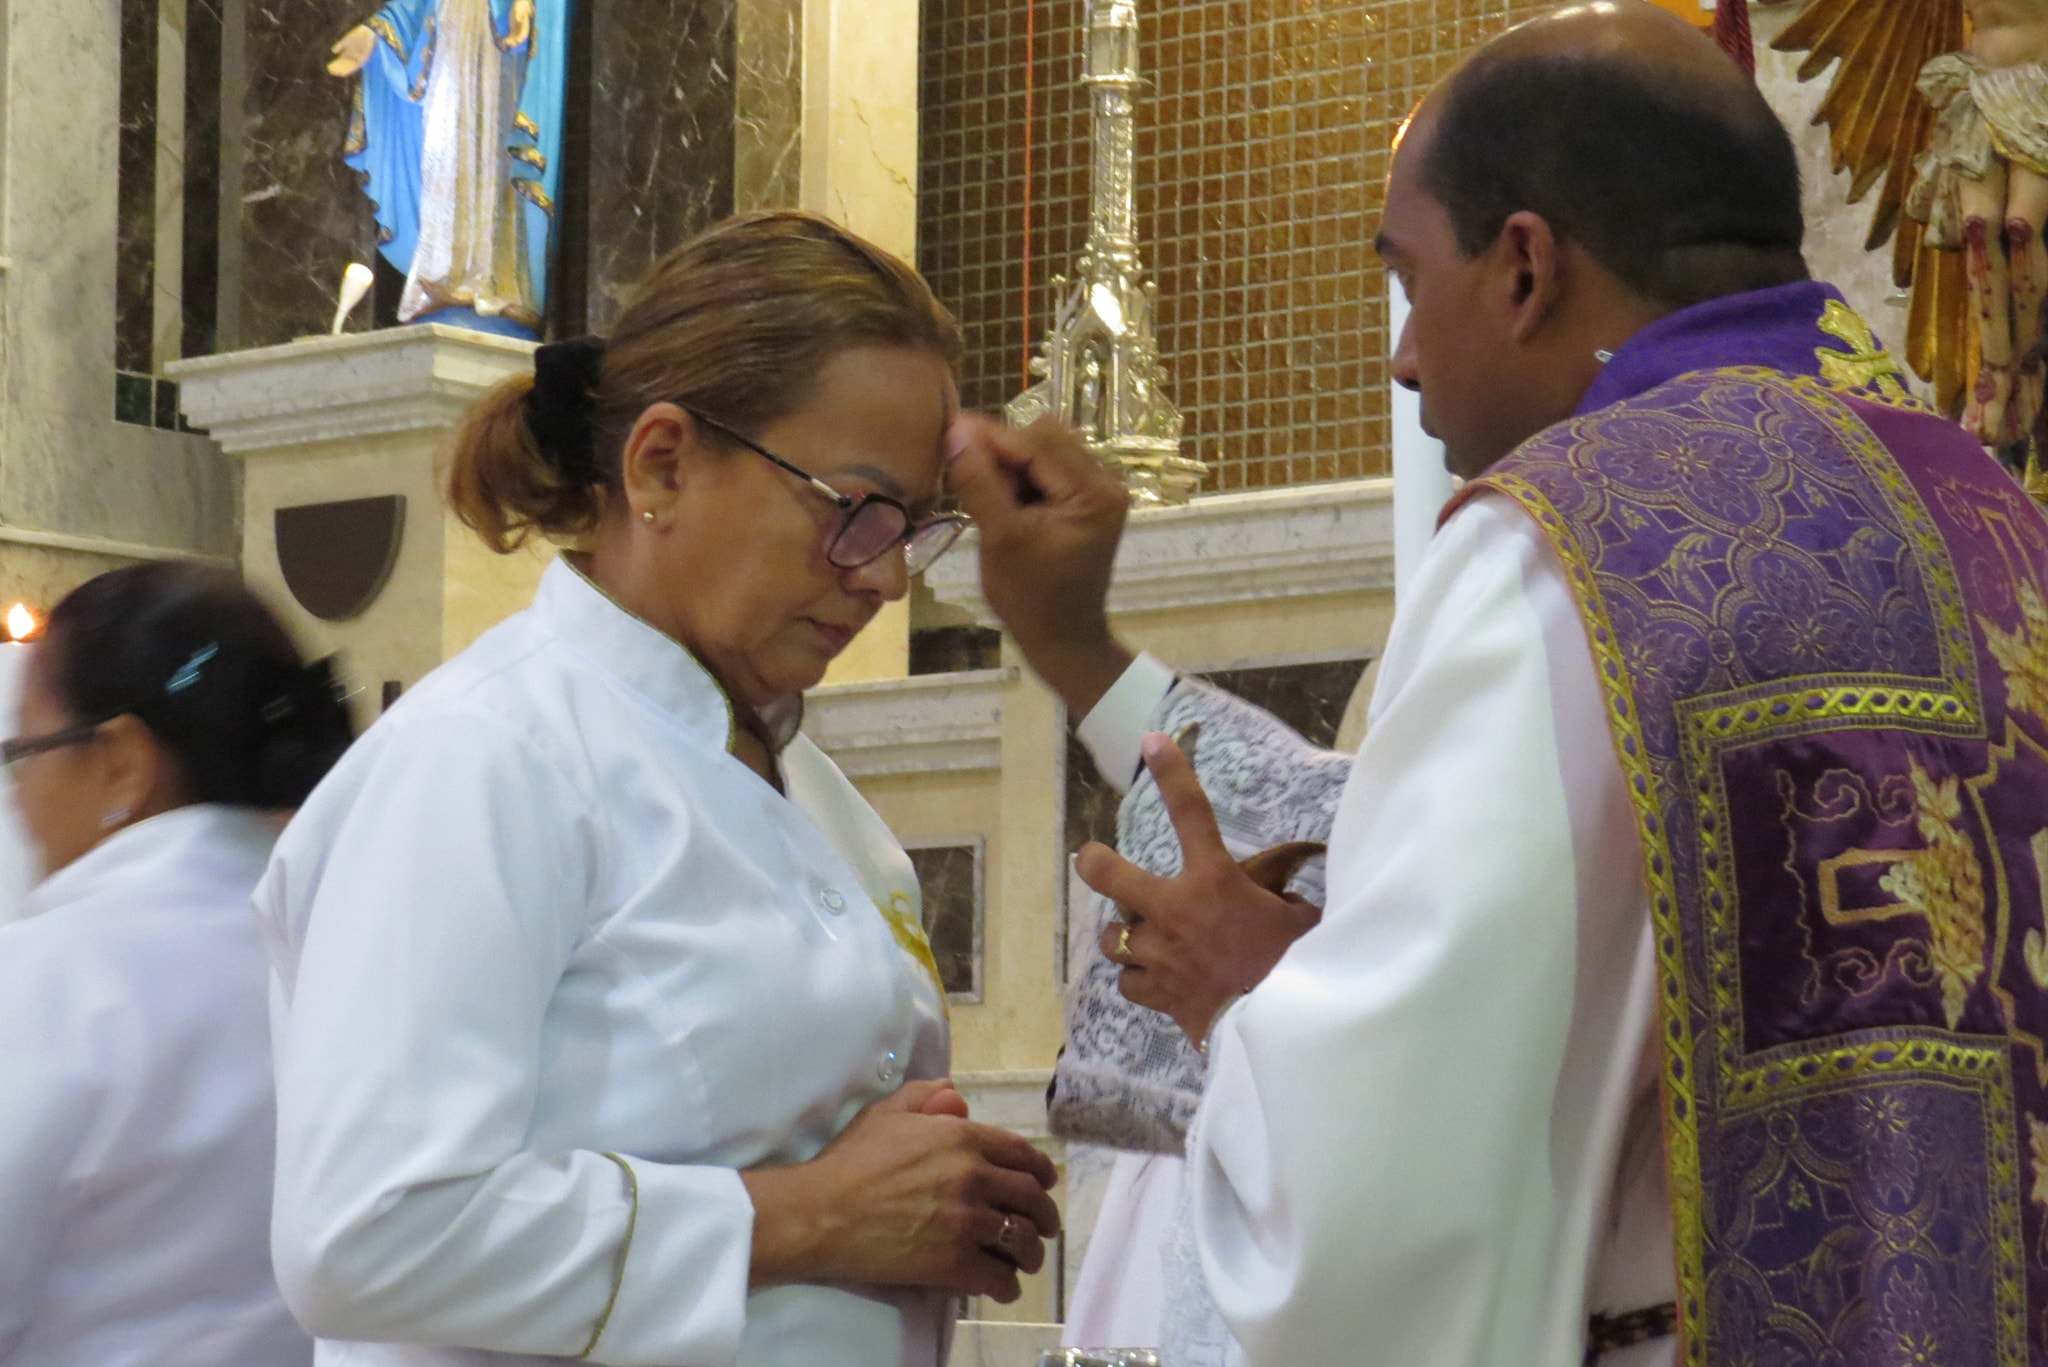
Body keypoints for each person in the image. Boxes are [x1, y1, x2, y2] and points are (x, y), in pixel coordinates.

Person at [948, 3, 2048, 1364]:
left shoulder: (1568, 541)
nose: (1405, 355)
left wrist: (1257, 1014)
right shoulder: (1993, 515)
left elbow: (1383, 1195)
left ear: (1524, 266)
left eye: (1412, 281)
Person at [258, 210, 1061, 1367]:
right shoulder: (487, 755)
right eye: (850, 510)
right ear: (663, 462)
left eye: (912, 527)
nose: (884, 575)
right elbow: (366, 1231)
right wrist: (813, 1214)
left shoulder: (826, 806)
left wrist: (947, 1201)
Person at [0, 562, 354, 1365]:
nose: (17, 798)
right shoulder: (349, 946)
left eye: (25, 751)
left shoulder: (48, 984)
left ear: (122, 760)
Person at [328, 0, 568, 337]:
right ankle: (447, 276)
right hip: (450, 44)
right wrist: (376, 32)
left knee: (495, 155)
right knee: (447, 156)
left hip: (502, 46)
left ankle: (498, 284)